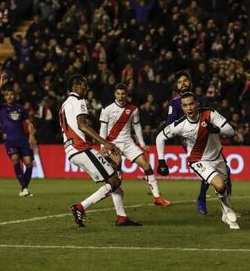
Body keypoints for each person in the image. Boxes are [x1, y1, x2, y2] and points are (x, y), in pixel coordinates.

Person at [60, 74, 141, 227]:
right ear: (76, 87)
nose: (87, 87)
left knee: (115, 177)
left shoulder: (64, 104)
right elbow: (81, 125)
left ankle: (122, 217)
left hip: (72, 149)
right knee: (115, 180)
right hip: (80, 149)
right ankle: (80, 207)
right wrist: (105, 143)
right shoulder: (78, 100)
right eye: (84, 85)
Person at [156, 92, 239, 229]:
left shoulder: (210, 113)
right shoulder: (180, 125)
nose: (189, 108)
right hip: (198, 161)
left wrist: (216, 129)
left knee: (225, 188)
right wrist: (161, 161)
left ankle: (225, 214)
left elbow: (230, 131)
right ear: (182, 108)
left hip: (217, 158)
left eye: (191, 104)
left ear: (196, 103)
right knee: (220, 186)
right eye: (185, 105)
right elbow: (160, 137)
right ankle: (227, 208)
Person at [99, 83, 171, 206]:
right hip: (112, 144)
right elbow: (103, 128)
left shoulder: (133, 109)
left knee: (146, 165)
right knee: (117, 168)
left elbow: (137, 126)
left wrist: (142, 144)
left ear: (127, 94)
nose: (120, 96)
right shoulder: (107, 109)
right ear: (114, 94)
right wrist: (102, 146)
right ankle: (114, 199)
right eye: (118, 94)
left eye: (123, 94)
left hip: (128, 143)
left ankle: (157, 197)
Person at [167, 70, 210, 215]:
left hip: (206, 139)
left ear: (190, 82)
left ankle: (225, 206)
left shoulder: (198, 99)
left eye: (185, 80)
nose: (183, 84)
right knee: (207, 173)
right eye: (179, 82)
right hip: (190, 142)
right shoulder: (175, 102)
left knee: (223, 172)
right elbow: (170, 124)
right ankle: (201, 199)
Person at [0, 74, 37, 197]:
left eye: (11, 94)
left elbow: (28, 123)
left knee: (29, 164)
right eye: (7, 95)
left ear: (15, 95)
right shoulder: (1, 108)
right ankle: (24, 188)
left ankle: (24, 188)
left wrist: (31, 135)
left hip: (22, 139)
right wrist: (1, 84)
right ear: (4, 97)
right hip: (10, 140)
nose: (9, 96)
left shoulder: (21, 109)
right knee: (16, 160)